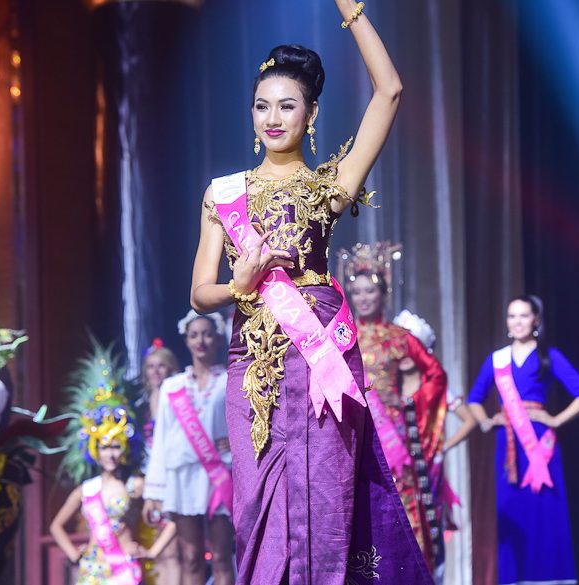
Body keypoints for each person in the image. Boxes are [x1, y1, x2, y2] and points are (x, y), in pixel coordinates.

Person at [190, 2, 433, 584]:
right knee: (256, 502)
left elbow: (390, 92)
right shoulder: (223, 193)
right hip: (252, 359)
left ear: (312, 112)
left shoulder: (330, 186)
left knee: (328, 497)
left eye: (287, 105)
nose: (272, 118)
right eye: (261, 105)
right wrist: (239, 285)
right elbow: (199, 293)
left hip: (320, 351)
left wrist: (352, 12)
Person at [449, 295, 579, 585]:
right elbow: (475, 399)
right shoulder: (497, 360)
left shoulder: (548, 355)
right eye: (512, 316)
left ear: (535, 320)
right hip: (508, 445)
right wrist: (486, 421)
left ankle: (553, 578)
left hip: (540, 446)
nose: (517, 322)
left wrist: (556, 420)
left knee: (545, 509)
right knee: (513, 510)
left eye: (524, 315)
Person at [344, 256, 449, 576]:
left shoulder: (399, 337)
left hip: (392, 436)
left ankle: (409, 574)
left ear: (383, 294)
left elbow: (436, 376)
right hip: (355, 432)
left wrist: (408, 400)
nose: (363, 298)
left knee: (402, 502)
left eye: (370, 291)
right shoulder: (343, 335)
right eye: (357, 292)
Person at [50, 342, 175, 585]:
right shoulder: (86, 490)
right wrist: (73, 554)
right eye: (105, 447)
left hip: (124, 569)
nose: (111, 454)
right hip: (92, 571)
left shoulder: (136, 485)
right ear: (95, 451)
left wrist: (152, 552)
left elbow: (171, 521)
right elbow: (56, 526)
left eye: (116, 447)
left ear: (126, 449)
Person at [143, 310, 234, 585]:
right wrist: (153, 492)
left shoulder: (230, 380)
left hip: (220, 475)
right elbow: (161, 439)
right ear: (186, 340)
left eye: (207, 334)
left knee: (222, 556)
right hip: (182, 476)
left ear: (218, 338)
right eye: (194, 335)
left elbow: (246, 424)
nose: (200, 341)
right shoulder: (173, 387)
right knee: (191, 556)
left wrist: (234, 442)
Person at [139, 339, 181, 584]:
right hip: (149, 478)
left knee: (174, 549)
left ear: (171, 368)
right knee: (158, 547)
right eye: (150, 366)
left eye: (161, 366)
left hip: (172, 475)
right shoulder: (141, 404)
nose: (155, 371)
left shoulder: (178, 397)